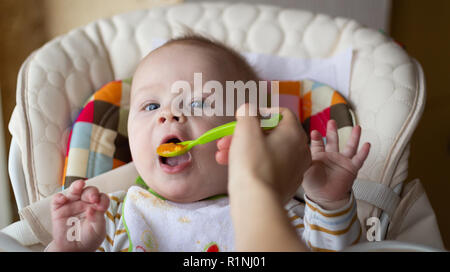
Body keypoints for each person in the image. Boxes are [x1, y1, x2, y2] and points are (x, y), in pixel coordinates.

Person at [46, 34, 370, 252]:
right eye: (151, 106)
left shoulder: (279, 209)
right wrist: (69, 246)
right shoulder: (109, 217)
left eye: (199, 104)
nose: (170, 114)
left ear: (251, 132)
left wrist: (329, 203)